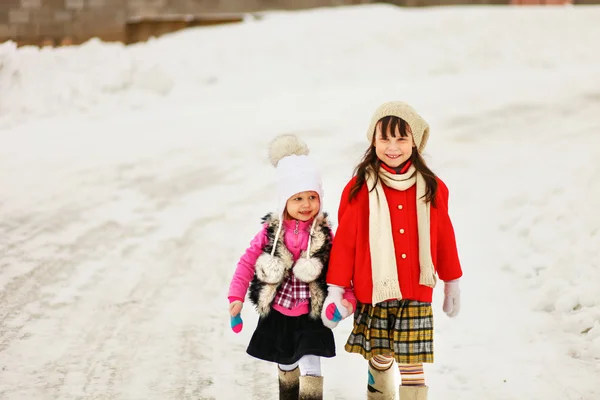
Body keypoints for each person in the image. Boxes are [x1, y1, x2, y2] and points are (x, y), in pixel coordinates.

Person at [321, 101, 463, 400]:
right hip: (373, 291)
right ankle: (379, 388)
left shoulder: (433, 187)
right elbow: (346, 243)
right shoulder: (359, 188)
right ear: (373, 140)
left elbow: (443, 237)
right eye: (384, 138)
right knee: (382, 356)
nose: (392, 146)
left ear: (415, 141)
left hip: (416, 290)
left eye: (401, 138)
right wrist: (336, 288)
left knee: (412, 363)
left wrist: (452, 283)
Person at [228, 134, 355, 400]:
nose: (306, 204)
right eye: (297, 198)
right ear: (284, 200)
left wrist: (346, 302)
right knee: (286, 364)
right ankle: (287, 392)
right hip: (279, 313)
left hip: (311, 314)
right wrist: (236, 297)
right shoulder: (271, 232)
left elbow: (343, 272)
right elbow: (247, 261)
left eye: (312, 196)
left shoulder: (325, 236)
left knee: (311, 365)